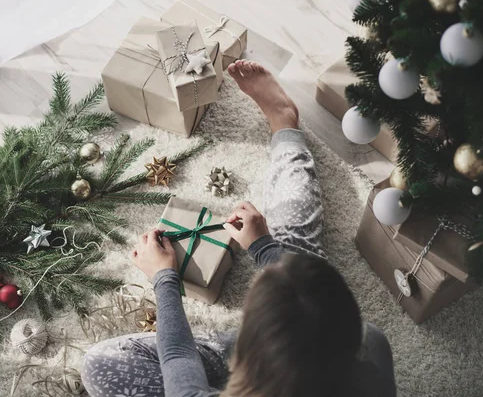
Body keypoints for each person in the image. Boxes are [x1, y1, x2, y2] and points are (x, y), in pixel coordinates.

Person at [82, 60, 396, 397]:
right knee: (296, 264)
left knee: (99, 364)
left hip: (241, 372)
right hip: (305, 354)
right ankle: (284, 124)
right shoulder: (368, 348)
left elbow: (177, 357)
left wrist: (164, 278)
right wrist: (262, 246)